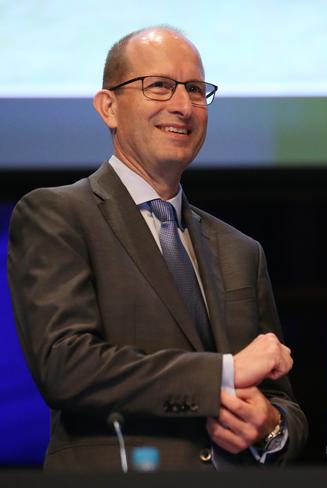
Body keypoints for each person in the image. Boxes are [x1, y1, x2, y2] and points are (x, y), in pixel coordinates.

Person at [8, 26, 307, 471]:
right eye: (160, 86)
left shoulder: (241, 250)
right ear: (108, 106)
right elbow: (67, 366)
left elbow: (284, 403)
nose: (183, 106)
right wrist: (223, 374)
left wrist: (272, 427)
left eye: (195, 90)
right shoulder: (57, 215)